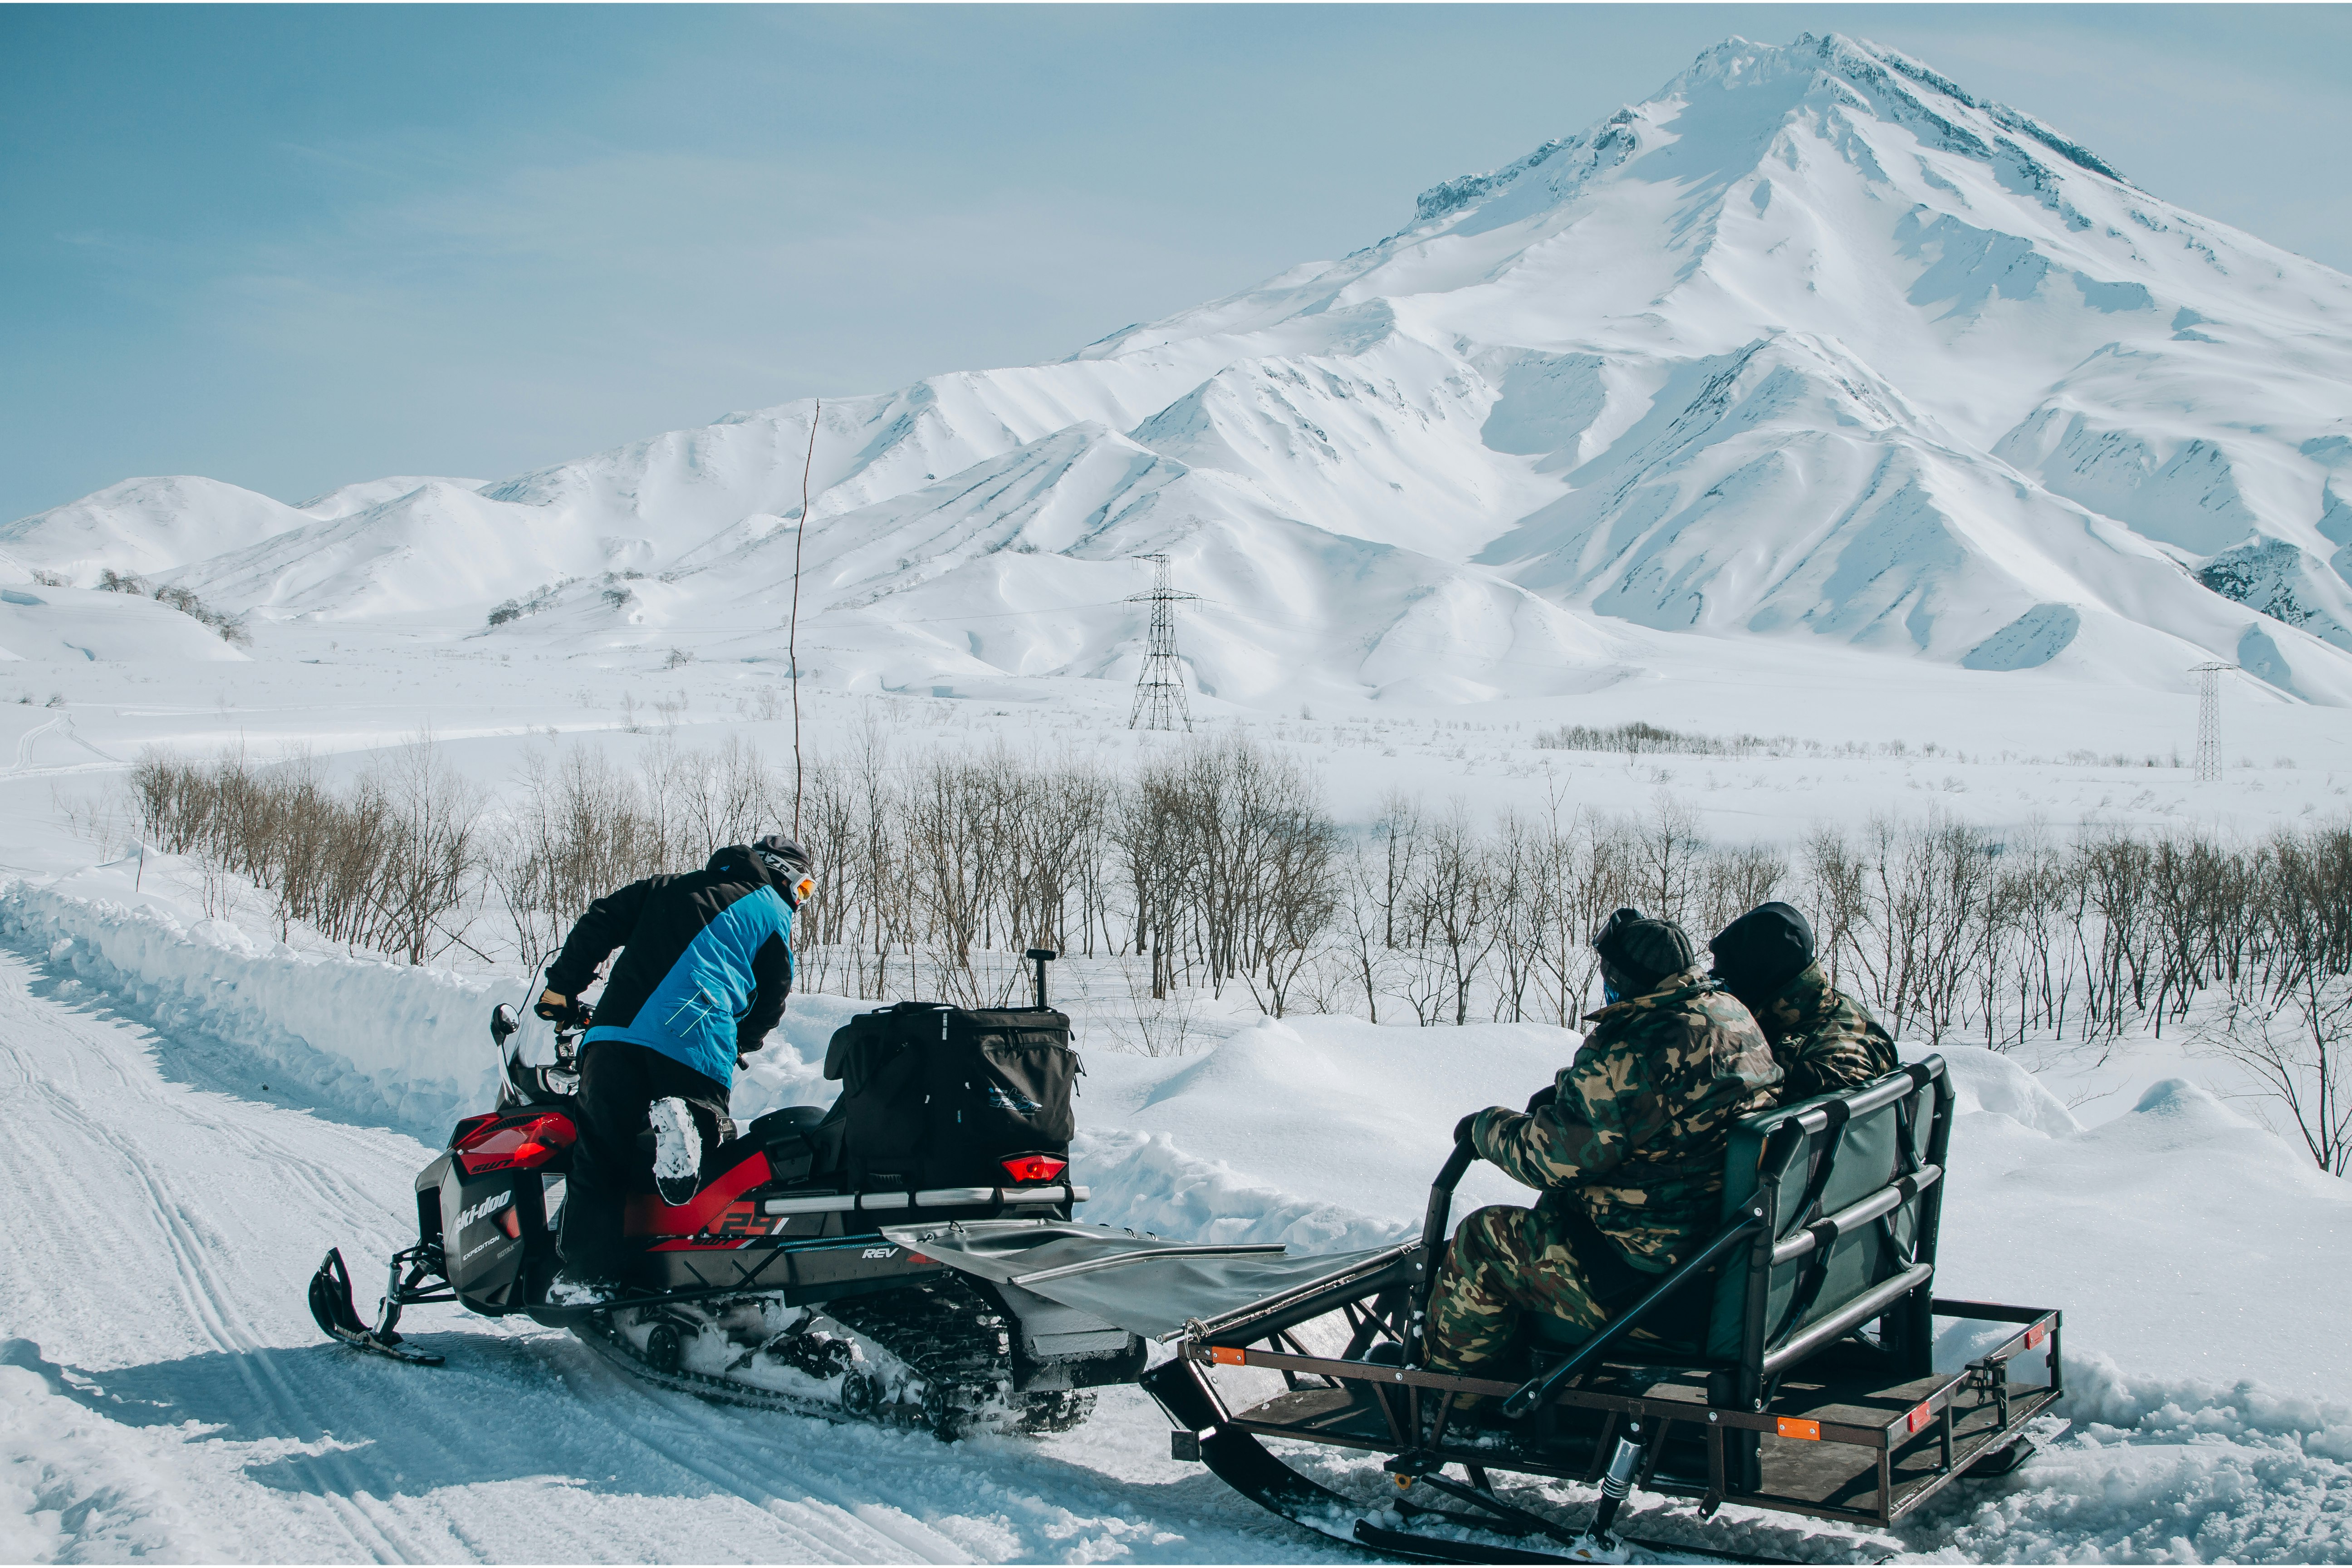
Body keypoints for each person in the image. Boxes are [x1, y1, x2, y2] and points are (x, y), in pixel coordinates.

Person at [1425, 907, 1779, 1395]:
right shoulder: (1731, 1016)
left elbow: (1549, 1158)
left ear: (1622, 978)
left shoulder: (1635, 1045)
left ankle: (1447, 1403)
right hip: (1710, 1256)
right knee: (1552, 1215)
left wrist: (1486, 1128)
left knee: (1484, 1240)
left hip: (1647, 1284)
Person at [537, 833, 814, 1291]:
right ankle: (692, 1119)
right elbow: (772, 997)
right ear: (784, 874)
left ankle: (587, 1278)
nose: (800, 899)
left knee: (599, 1161)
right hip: (694, 1038)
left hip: (614, 1036)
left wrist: (563, 988)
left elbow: (601, 918)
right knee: (706, 1154)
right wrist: (742, 1042)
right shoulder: (772, 913)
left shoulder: (668, 886)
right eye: (803, 888)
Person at [1707, 902, 1897, 1103]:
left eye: (1723, 982)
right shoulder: (1828, 1006)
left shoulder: (1820, 1069)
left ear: (1760, 988)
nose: (1717, 991)